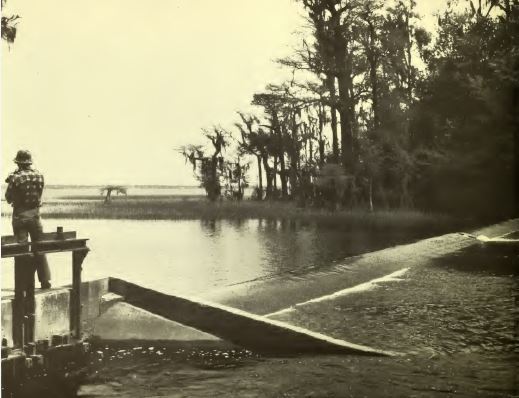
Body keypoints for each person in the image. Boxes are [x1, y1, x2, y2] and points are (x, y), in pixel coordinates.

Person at [5, 150, 51, 289]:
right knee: (39, 247)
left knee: (22, 249)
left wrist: (12, 180)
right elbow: (39, 194)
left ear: (18, 163)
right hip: (35, 216)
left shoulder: (16, 178)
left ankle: (24, 283)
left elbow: (8, 198)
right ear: (30, 162)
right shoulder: (39, 176)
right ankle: (45, 281)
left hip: (20, 216)